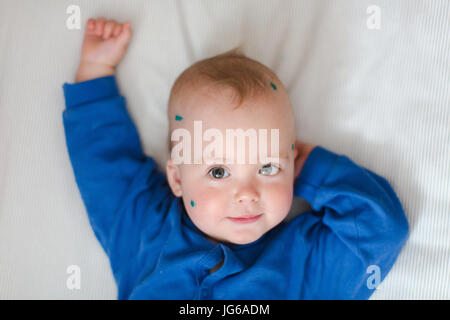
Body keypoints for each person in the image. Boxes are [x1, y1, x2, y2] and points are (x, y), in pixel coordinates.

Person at [61, 18, 409, 299]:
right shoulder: (143, 226)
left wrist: (313, 171)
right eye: (218, 171)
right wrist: (95, 68)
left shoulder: (302, 262)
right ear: (178, 178)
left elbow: (380, 230)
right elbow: (103, 161)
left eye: (267, 167)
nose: (247, 193)